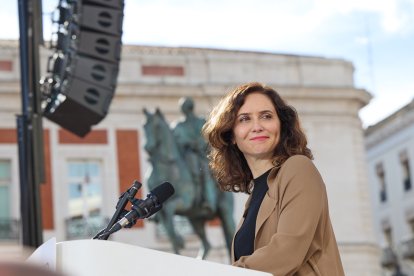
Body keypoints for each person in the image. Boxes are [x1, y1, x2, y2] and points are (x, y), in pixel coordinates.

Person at [202, 82, 345, 275]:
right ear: (232, 135)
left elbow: (287, 251)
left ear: (281, 126)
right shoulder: (253, 200)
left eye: (266, 116)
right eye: (244, 119)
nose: (257, 126)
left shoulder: (298, 169)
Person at [173, 97, 217, 215]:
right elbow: (174, 143)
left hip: (200, 155)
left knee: (205, 172)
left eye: (186, 107)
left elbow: (209, 138)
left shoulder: (201, 122)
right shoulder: (178, 126)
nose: (185, 110)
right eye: (184, 108)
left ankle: (209, 201)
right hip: (185, 158)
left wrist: (198, 144)